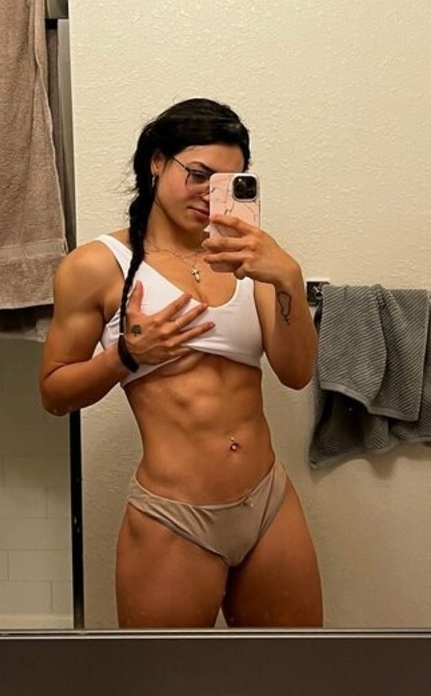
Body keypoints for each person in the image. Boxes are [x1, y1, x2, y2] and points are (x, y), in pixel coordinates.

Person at [39, 97, 324, 629]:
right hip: (175, 517)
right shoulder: (98, 266)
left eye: (226, 182)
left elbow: (296, 372)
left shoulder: (247, 258)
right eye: (198, 174)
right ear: (156, 162)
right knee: (166, 683)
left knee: (293, 671)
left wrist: (288, 278)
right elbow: (54, 393)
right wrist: (126, 356)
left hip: (268, 502)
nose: (209, 194)